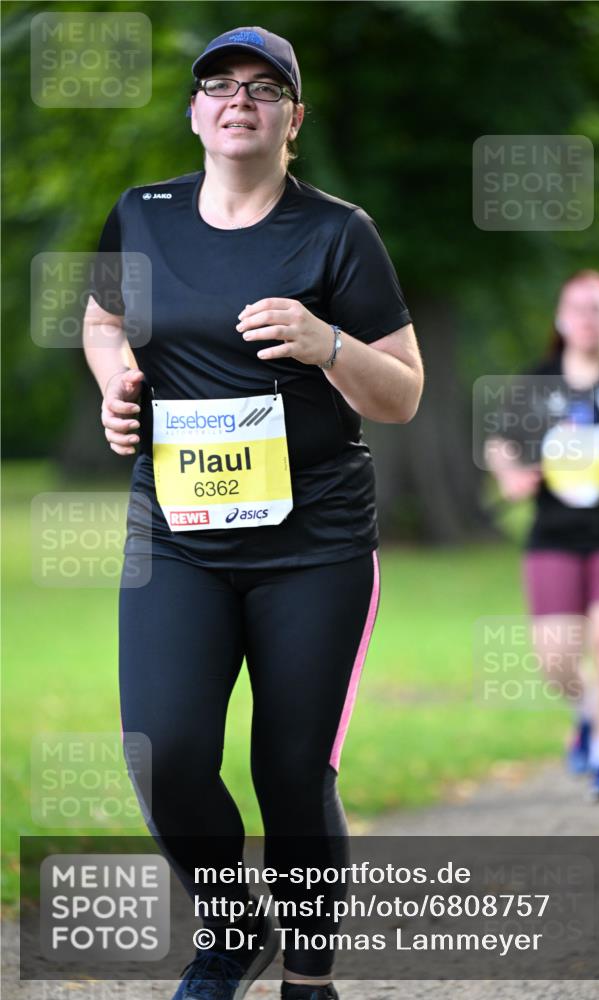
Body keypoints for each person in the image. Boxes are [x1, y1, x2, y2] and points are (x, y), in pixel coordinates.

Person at [83, 24, 423, 1000]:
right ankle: (233, 930)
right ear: (195, 112)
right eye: (220, 85)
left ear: (293, 118)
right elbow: (104, 319)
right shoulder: (140, 216)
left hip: (311, 546)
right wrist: (116, 377)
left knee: (291, 774)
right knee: (168, 752)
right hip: (176, 539)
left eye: (264, 88)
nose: (240, 100)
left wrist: (325, 342)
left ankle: (309, 978)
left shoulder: (336, 231)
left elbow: (401, 392)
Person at [486, 270, 599, 802]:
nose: (587, 320)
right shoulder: (537, 382)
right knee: (555, 658)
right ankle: (587, 711)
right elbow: (501, 443)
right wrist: (510, 477)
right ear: (561, 320)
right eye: (577, 309)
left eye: (598, 310)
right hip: (555, 533)